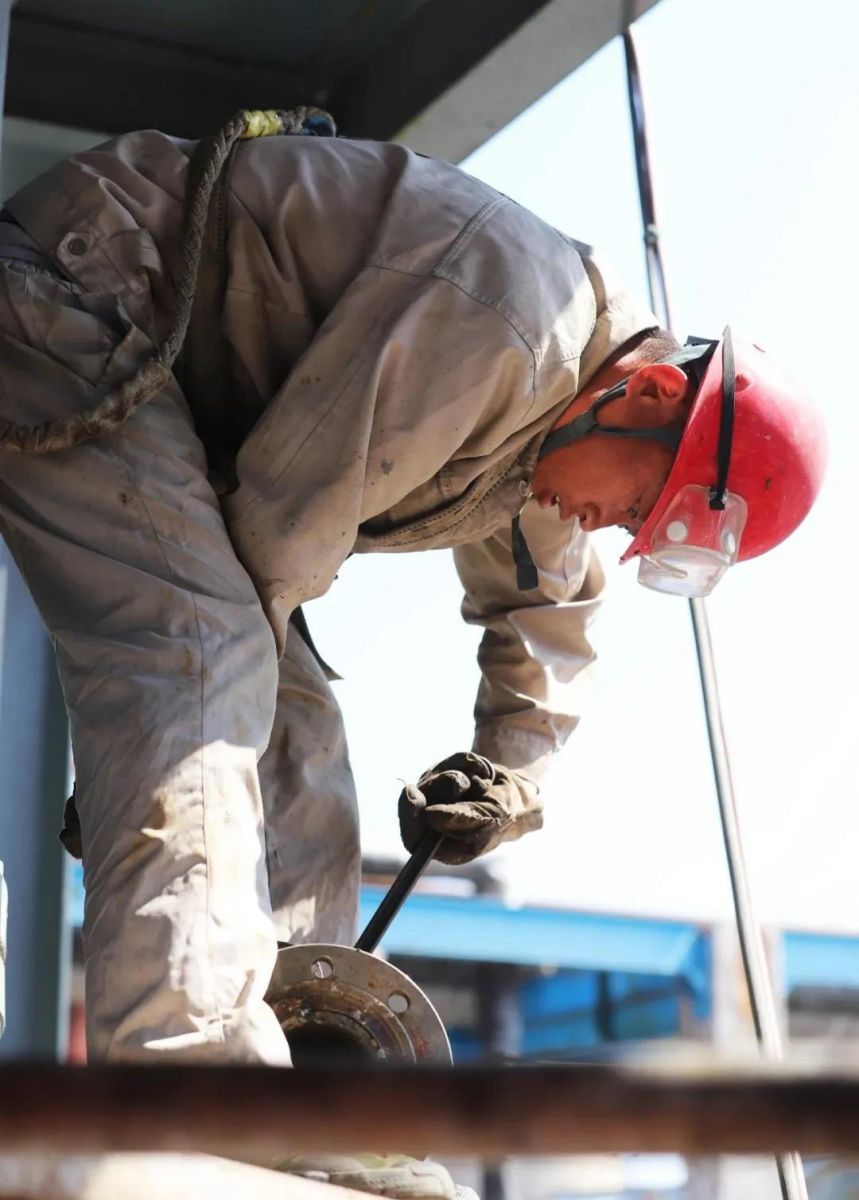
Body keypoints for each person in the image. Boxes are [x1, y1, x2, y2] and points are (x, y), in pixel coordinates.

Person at [0, 113, 824, 1197]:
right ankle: (193, 1070)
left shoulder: (574, 414)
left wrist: (508, 767)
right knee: (198, 659)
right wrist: (158, 769)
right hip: (75, 299)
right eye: (637, 509)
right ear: (650, 396)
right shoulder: (506, 325)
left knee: (288, 729)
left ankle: (283, 1076)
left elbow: (550, 616)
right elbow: (279, 534)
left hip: (171, 398)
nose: (617, 535)